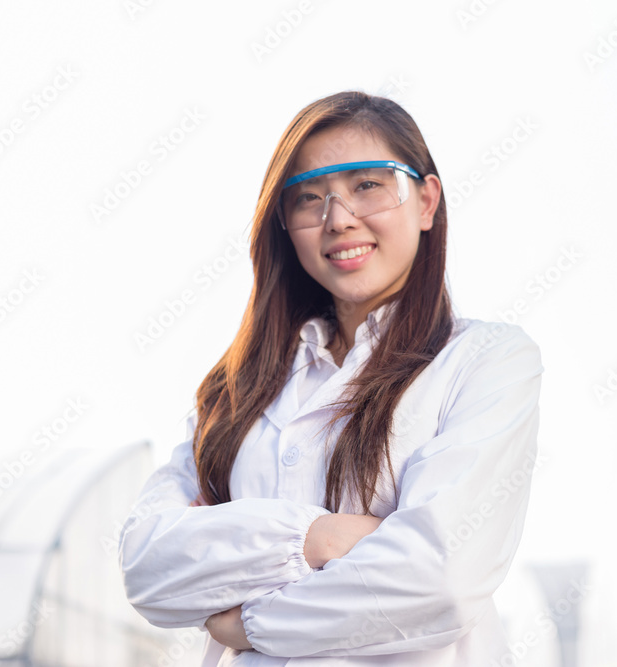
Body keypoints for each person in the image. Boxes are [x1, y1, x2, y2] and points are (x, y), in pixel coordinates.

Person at [117, 90, 544, 666]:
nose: (338, 218)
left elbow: (437, 578)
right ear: (285, 227)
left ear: (425, 201)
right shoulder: (237, 389)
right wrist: (316, 541)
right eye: (308, 198)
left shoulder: (485, 361)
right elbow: (149, 564)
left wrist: (247, 621)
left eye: (368, 185)